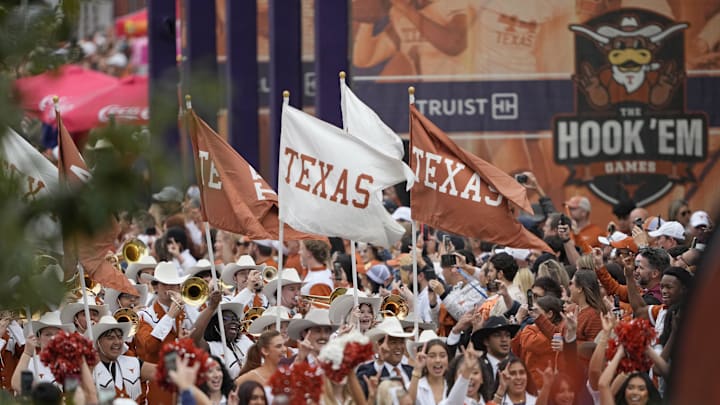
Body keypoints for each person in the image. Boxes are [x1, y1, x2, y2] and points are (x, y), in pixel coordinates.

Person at [134, 261, 195, 404]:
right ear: (155, 286)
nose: (170, 288)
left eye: (174, 284)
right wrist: (170, 316)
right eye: (165, 284)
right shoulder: (143, 316)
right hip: (158, 386)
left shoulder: (186, 312)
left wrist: (185, 303)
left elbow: (202, 330)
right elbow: (150, 346)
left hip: (185, 382)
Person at [89, 316, 155, 402]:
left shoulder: (132, 362)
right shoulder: (89, 369)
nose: (117, 342)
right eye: (110, 338)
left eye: (119, 337)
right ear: (98, 342)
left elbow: (163, 372)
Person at [191, 291, 253, 380]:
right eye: (227, 318)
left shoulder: (244, 340)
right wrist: (211, 308)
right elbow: (193, 338)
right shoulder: (211, 346)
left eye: (235, 319)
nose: (234, 322)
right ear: (215, 324)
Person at [11, 311, 75, 390]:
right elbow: (17, 385)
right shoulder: (30, 363)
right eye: (48, 334)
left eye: (57, 334)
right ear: (38, 338)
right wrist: (27, 353)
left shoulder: (70, 363)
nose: (53, 338)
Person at [357, 317, 415, 398]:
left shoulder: (412, 371)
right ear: (379, 345)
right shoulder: (367, 371)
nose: (398, 347)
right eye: (393, 342)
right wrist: (380, 364)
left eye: (401, 342)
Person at [469, 316, 520, 402]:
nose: (504, 340)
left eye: (507, 335)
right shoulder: (476, 367)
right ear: (486, 341)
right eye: (497, 335)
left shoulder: (518, 366)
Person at [235, 330, 285, 402]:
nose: (284, 349)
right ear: (265, 351)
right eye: (278, 346)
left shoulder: (287, 374)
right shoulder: (251, 376)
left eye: (284, 345)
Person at [407, 332, 449, 405]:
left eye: (442, 356)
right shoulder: (414, 386)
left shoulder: (454, 386)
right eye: (432, 356)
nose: (438, 360)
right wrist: (417, 370)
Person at [568, 270, 605, 344]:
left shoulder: (594, 315)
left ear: (579, 288)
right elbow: (556, 332)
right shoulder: (574, 309)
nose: (568, 287)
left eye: (571, 283)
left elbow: (593, 348)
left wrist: (567, 345)